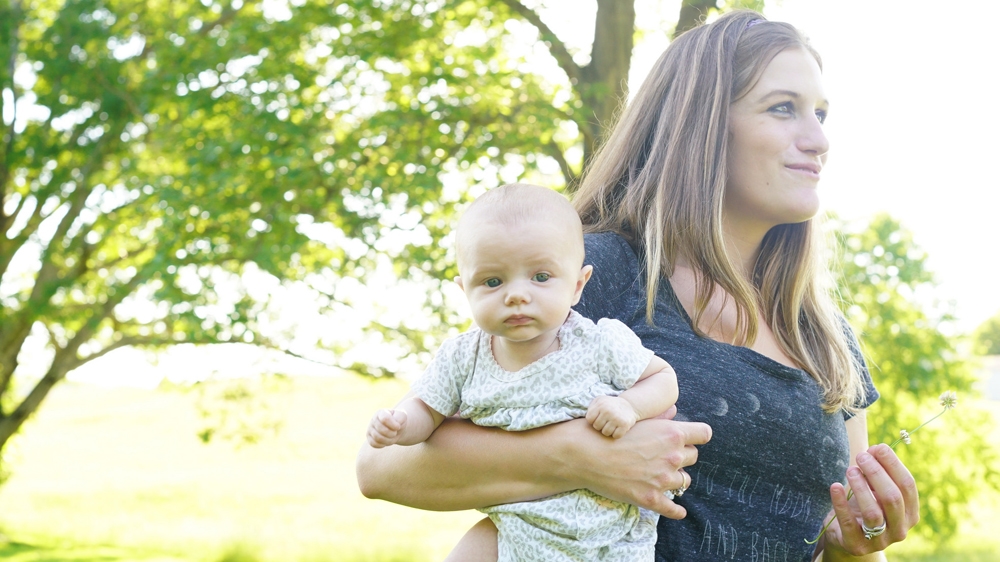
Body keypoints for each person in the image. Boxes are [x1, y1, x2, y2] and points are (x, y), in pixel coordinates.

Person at [357, 10, 919, 562]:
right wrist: (575, 457)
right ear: (700, 126)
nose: (819, 139)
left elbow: (835, 544)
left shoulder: (823, 334)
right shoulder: (599, 276)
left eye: (821, 113)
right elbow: (382, 468)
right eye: (783, 109)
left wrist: (856, 548)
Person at [365, 183, 680, 561]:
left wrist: (630, 406)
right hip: (517, 526)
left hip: (608, 537)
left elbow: (662, 379)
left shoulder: (599, 343)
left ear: (578, 285)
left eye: (540, 277)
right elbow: (427, 411)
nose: (516, 295)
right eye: (493, 282)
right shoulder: (462, 358)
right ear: (465, 290)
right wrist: (400, 425)